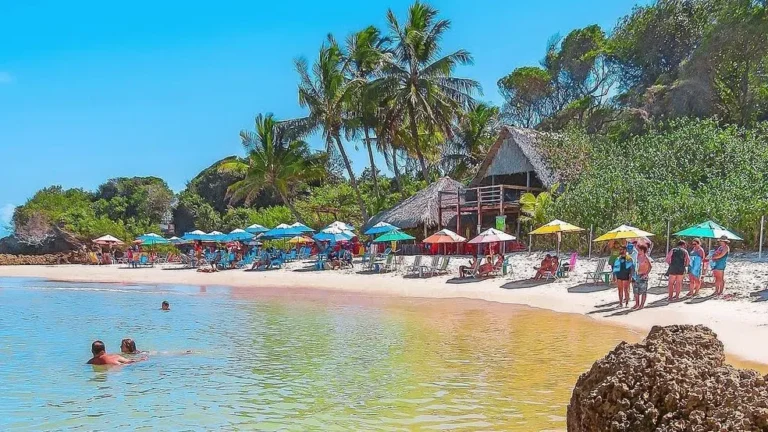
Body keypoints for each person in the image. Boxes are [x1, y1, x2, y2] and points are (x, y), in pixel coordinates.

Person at [632, 244, 652, 310]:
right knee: (635, 291)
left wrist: (646, 274)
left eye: (639, 250)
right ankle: (637, 304)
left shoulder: (646, 258)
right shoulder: (637, 256)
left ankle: (642, 305)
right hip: (636, 275)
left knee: (643, 291)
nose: (638, 251)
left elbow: (650, 267)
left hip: (643, 275)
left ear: (642, 250)